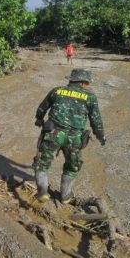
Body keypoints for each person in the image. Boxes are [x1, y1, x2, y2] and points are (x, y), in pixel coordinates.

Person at [33, 68, 105, 203]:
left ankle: (42, 192)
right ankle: (65, 195)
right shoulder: (90, 97)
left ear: (71, 80)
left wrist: (39, 119)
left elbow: (42, 108)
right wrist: (101, 136)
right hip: (74, 138)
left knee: (42, 163)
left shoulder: (57, 90)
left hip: (53, 134)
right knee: (73, 166)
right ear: (84, 83)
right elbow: (96, 120)